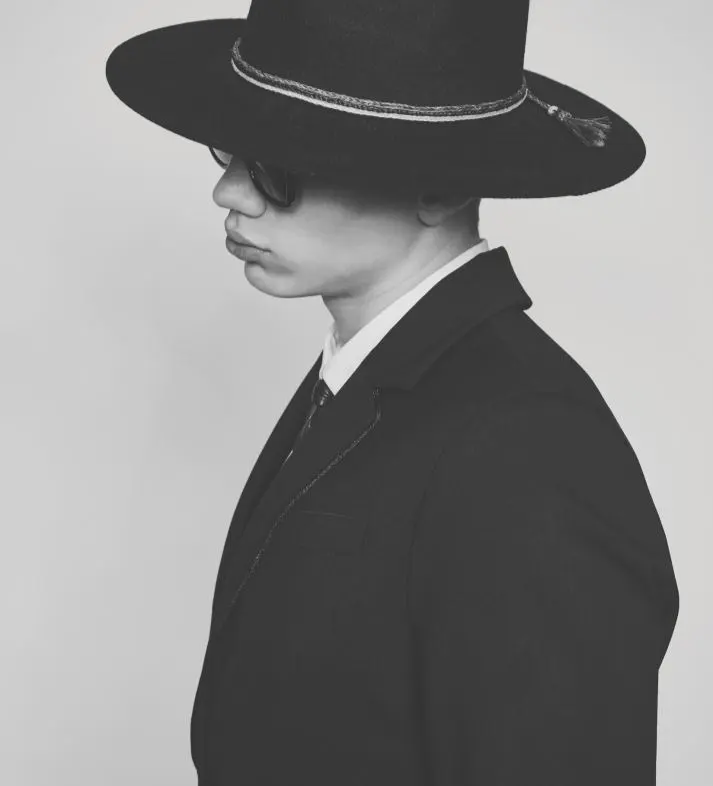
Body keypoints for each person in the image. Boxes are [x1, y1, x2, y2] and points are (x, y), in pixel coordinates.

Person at [105, 2, 680, 784]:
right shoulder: (370, 374)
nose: (229, 192)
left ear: (439, 186)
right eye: (230, 149)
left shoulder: (529, 449)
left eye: (280, 162)